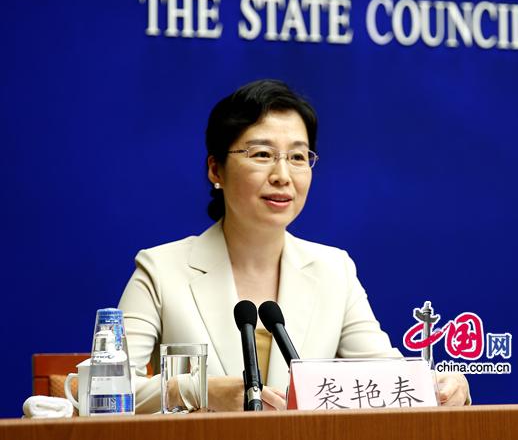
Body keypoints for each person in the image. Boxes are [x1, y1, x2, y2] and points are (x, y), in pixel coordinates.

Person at [118, 79, 470, 413]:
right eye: (261, 154)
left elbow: (386, 377)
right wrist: (199, 390)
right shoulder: (162, 270)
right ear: (216, 170)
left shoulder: (334, 271)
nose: (282, 176)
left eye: (298, 157)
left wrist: (441, 385)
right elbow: (103, 389)